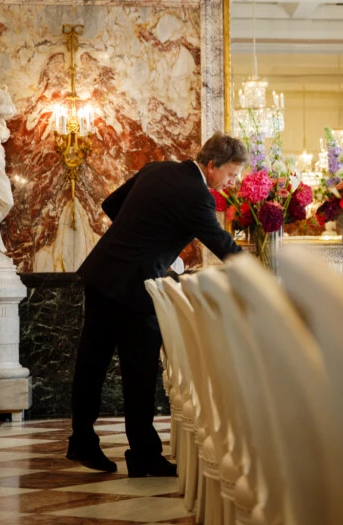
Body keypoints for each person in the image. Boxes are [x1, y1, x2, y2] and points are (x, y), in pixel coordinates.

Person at [67, 133, 246, 477]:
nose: (232, 182)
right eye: (231, 175)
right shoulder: (197, 196)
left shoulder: (157, 169)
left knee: (93, 360)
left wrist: (140, 241)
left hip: (102, 272)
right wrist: (258, 275)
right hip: (134, 286)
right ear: (212, 166)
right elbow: (222, 244)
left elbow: (110, 205)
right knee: (140, 370)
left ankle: (82, 440)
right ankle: (144, 455)